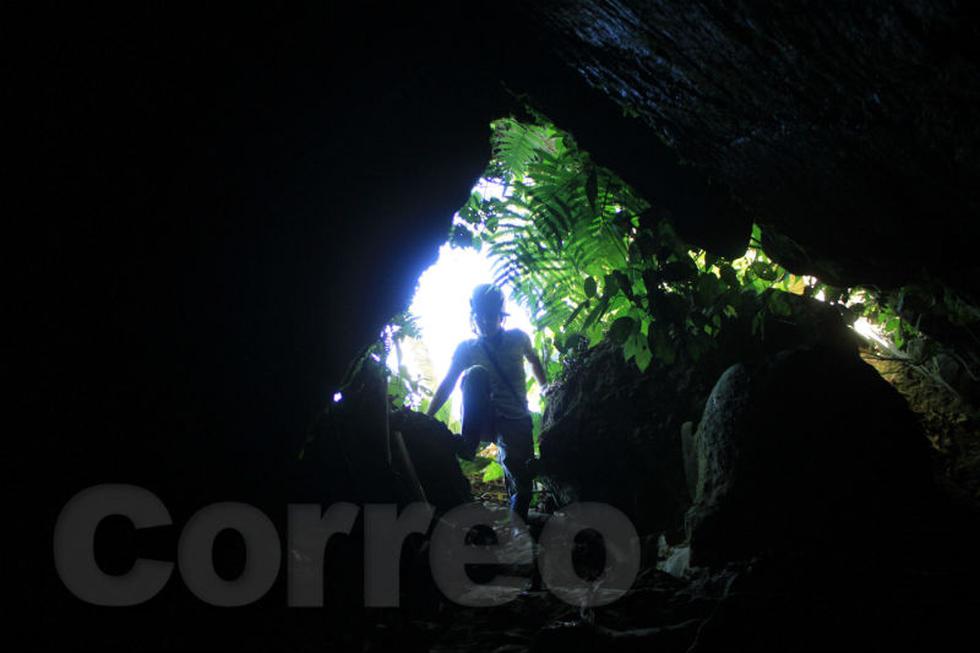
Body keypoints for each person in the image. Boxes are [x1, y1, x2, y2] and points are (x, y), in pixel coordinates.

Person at [426, 284, 547, 524]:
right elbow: (448, 383)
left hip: (516, 419)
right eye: (480, 315)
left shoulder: (517, 338)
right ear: (474, 316)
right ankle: (468, 444)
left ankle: (517, 530)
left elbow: (534, 361)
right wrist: (427, 416)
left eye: (490, 315)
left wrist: (546, 388)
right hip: (486, 420)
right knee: (476, 374)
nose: (484, 321)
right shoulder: (467, 349)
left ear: (500, 315)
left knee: (521, 481)